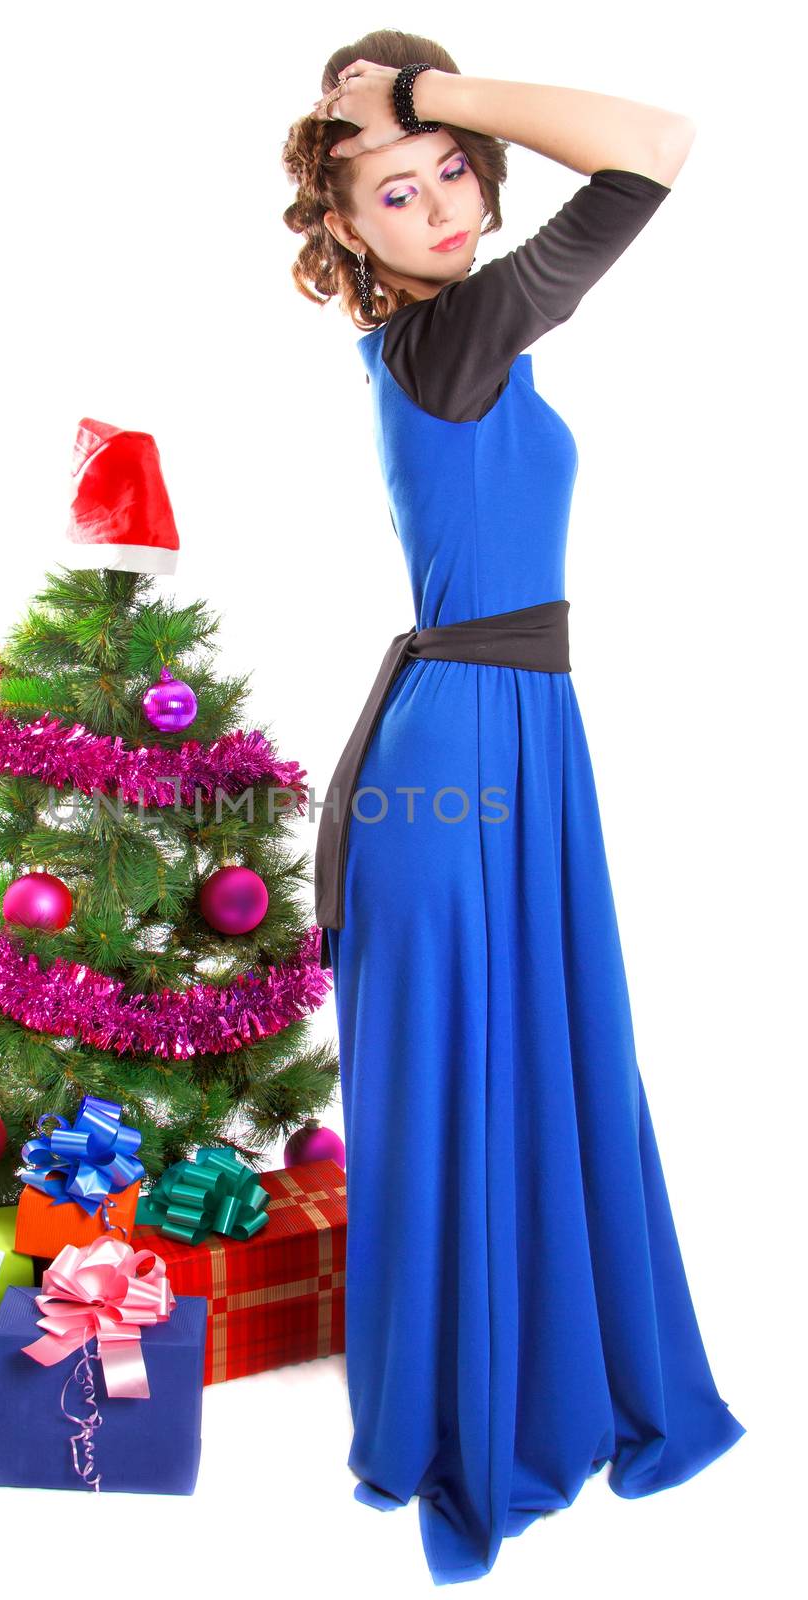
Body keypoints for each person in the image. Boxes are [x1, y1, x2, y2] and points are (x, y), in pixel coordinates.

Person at [281, 29, 747, 1588]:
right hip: (466, 760)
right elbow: (657, 143)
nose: (440, 202)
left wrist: (410, 107)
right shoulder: (454, 337)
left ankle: (491, 1379)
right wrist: (428, 98)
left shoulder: (453, 340)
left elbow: (641, 151)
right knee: (477, 1085)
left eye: (452, 175)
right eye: (395, 191)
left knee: (533, 1071)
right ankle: (467, 1417)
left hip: (499, 741)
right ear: (349, 227)